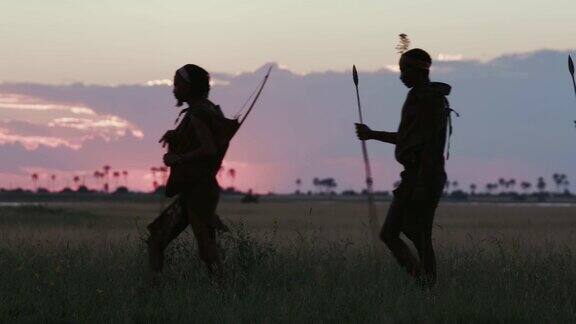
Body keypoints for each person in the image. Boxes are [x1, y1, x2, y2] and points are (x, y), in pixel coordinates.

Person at [355, 48, 453, 286]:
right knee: (402, 234)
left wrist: (420, 184)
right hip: (416, 176)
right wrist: (372, 134)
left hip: (424, 177)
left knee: (407, 234)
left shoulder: (427, 100)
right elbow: (409, 137)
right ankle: (426, 286)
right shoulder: (424, 97)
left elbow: (425, 146)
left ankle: (426, 286)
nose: (400, 76)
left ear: (416, 71)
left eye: (403, 70)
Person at [147, 64, 231, 285]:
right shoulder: (207, 109)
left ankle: (225, 291)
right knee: (159, 239)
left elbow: (208, 149)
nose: (174, 89)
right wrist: (174, 135)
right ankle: (223, 290)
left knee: (205, 249)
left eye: (177, 84)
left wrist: (178, 159)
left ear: (188, 87)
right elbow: (201, 141)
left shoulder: (197, 113)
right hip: (199, 189)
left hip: (199, 191)